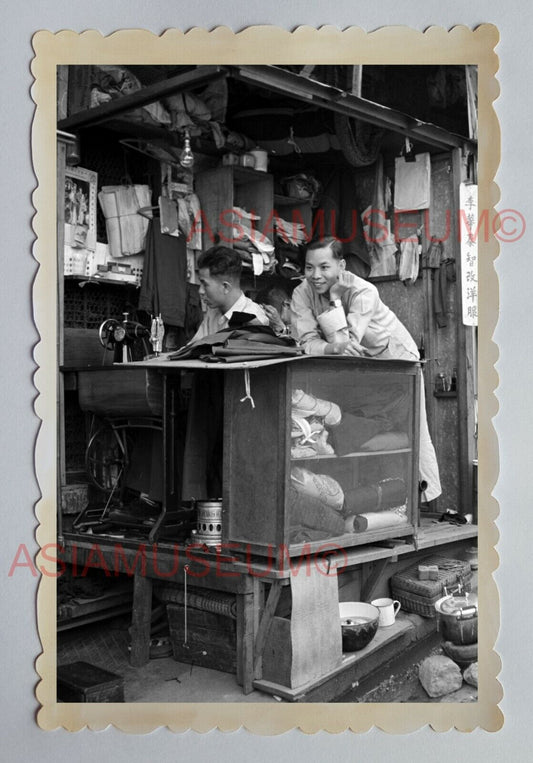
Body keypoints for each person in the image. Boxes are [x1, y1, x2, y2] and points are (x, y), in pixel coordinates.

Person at [290, 235, 441, 502]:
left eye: (324, 267)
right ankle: (378, 498)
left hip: (395, 360)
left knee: (414, 429)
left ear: (342, 266)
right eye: (309, 267)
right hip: (354, 365)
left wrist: (336, 300)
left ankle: (423, 498)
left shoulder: (364, 290)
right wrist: (331, 348)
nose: (315, 275)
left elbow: (349, 340)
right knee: (359, 426)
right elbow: (306, 342)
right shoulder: (301, 292)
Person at [190, 245, 269, 343]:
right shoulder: (213, 313)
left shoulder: (253, 319)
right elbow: (193, 347)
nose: (200, 291)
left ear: (225, 287)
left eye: (205, 284)